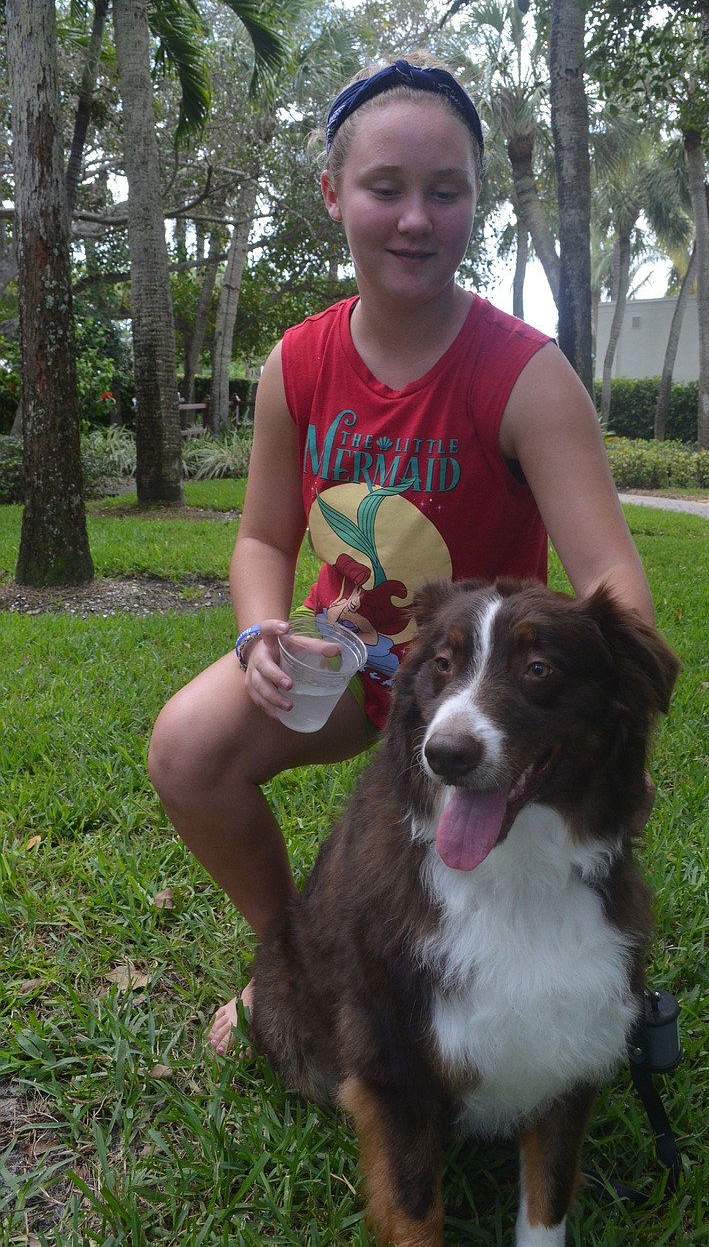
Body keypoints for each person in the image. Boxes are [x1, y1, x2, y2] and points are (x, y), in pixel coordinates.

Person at [148, 55, 655, 1055]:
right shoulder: (298, 362)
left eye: (445, 190)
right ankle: (288, 959)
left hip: (477, 684)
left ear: (478, 203)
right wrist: (260, 629)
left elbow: (610, 572)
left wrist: (613, 685)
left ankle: (529, 970)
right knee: (187, 750)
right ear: (335, 193)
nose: (415, 218)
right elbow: (261, 535)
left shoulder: (524, 375)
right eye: (385, 188)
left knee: (477, 878)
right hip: (346, 667)